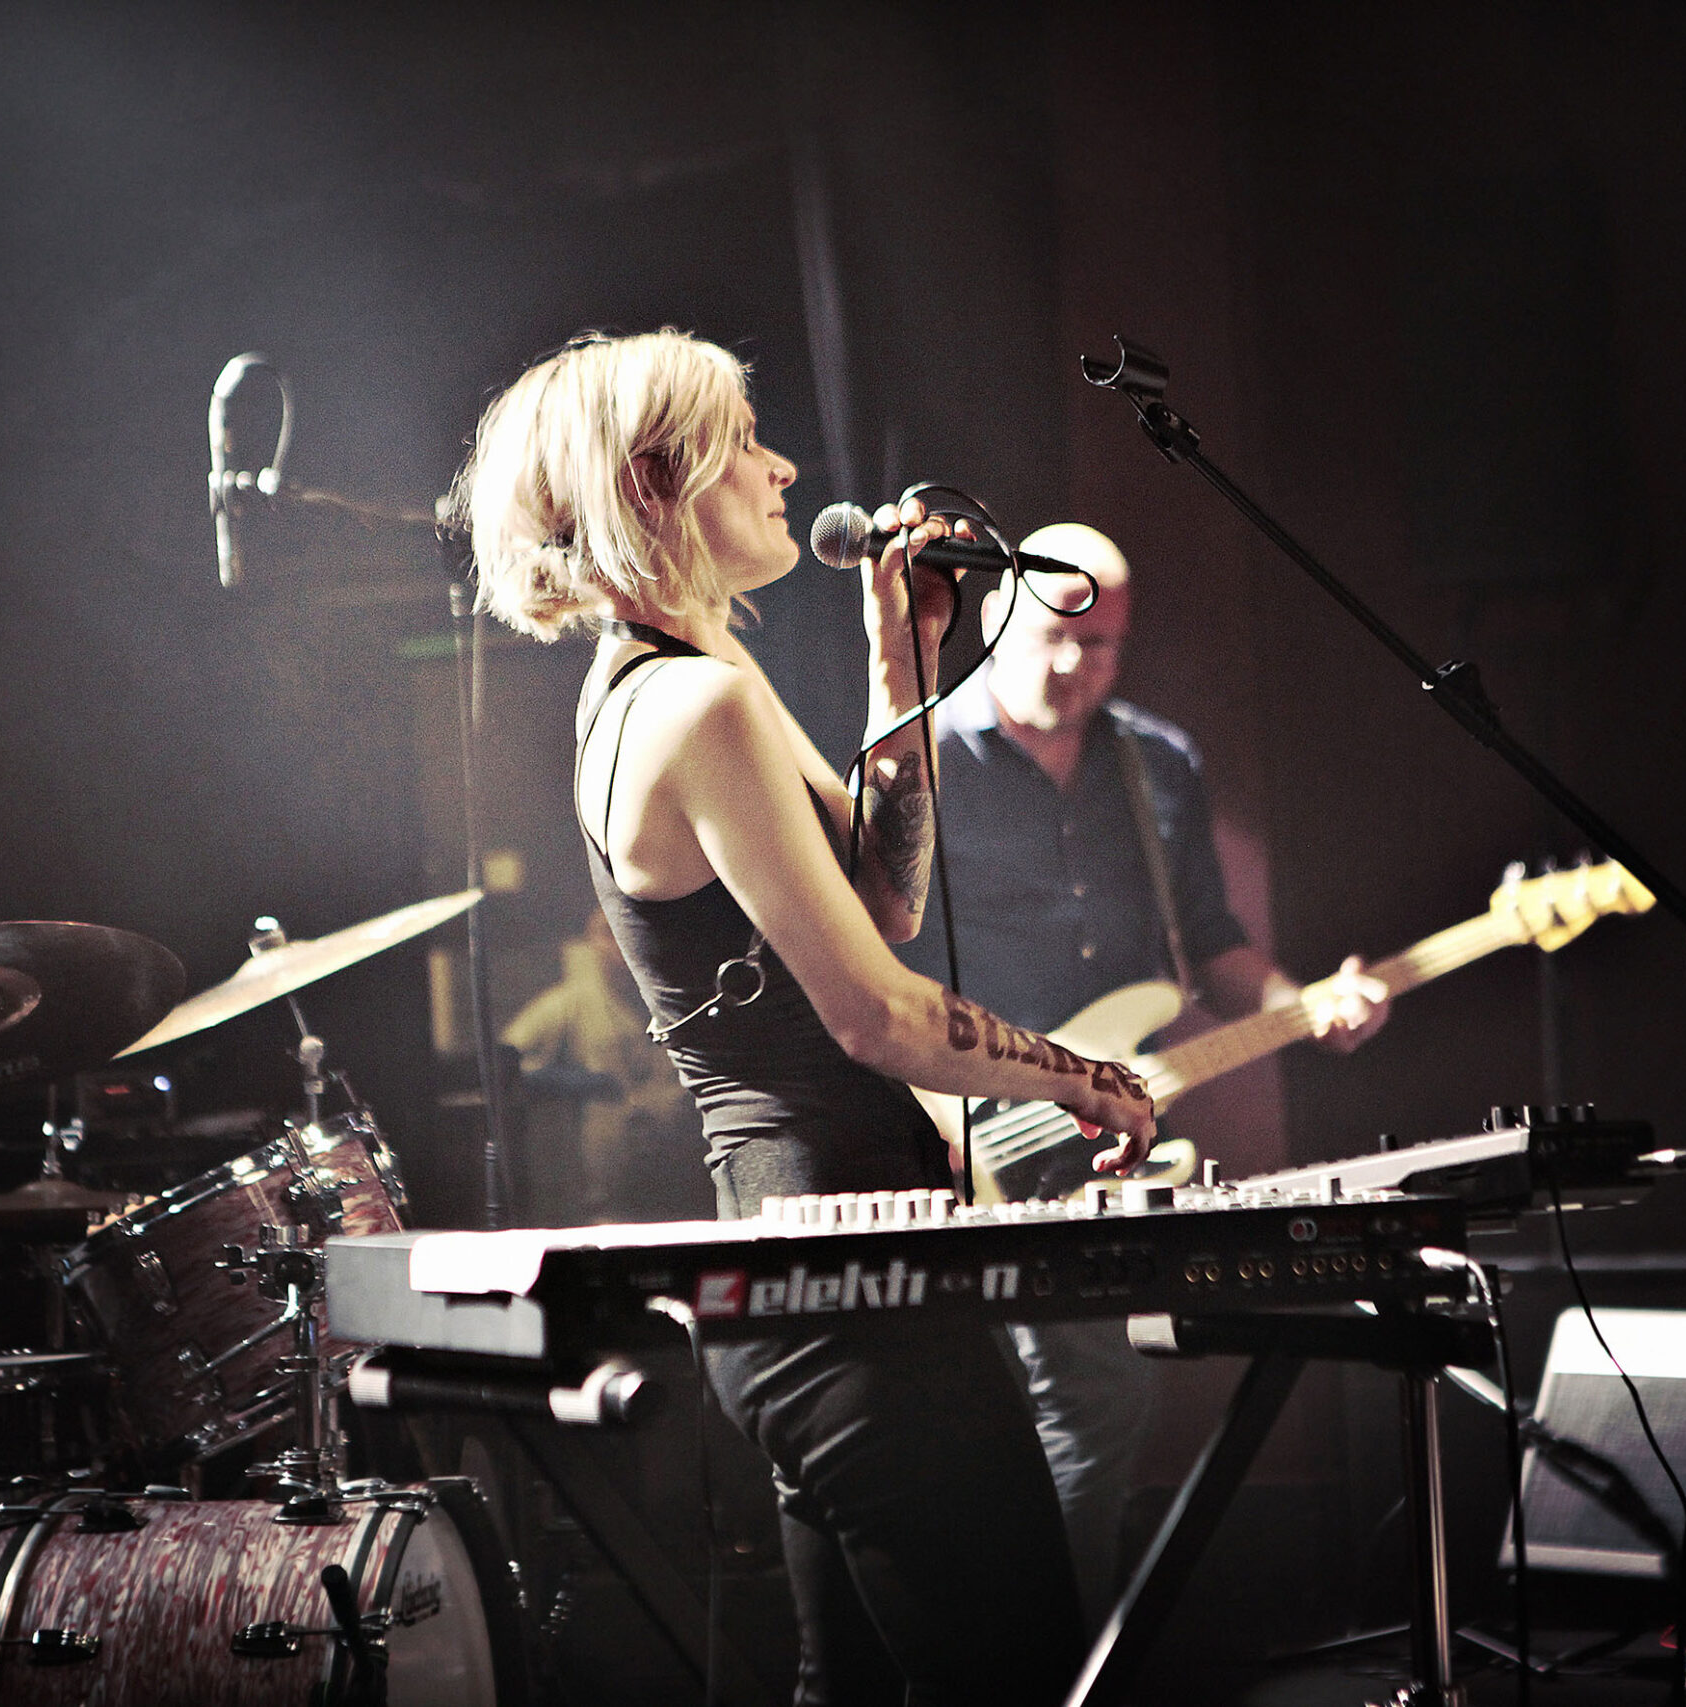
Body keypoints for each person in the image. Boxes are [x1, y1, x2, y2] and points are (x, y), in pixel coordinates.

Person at [457, 329, 1157, 1705]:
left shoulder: (677, 675)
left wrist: (902, 668)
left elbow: (882, 899)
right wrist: (1086, 1076)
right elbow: (880, 1013)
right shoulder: (694, 700)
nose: (783, 469)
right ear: (652, 484)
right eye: (744, 443)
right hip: (847, 1296)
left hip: (810, 1268)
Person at [900, 525, 1388, 1622]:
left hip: (1103, 1149)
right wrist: (940, 1118)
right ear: (995, 618)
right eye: (1056, 636)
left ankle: (1056, 1657)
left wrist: (1303, 1004)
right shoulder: (921, 761)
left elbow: (1210, 946)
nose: (1076, 664)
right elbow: (879, 973)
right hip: (961, 1134)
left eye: (1105, 644)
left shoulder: (1157, 761)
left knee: (1095, 1408)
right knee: (1038, 1417)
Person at [501, 906, 711, 1223]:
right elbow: (504, 1060)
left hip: (682, 1190)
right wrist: (563, 1081)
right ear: (592, 941)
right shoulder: (571, 1003)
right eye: (607, 934)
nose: (619, 945)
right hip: (605, 1199)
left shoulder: (683, 1000)